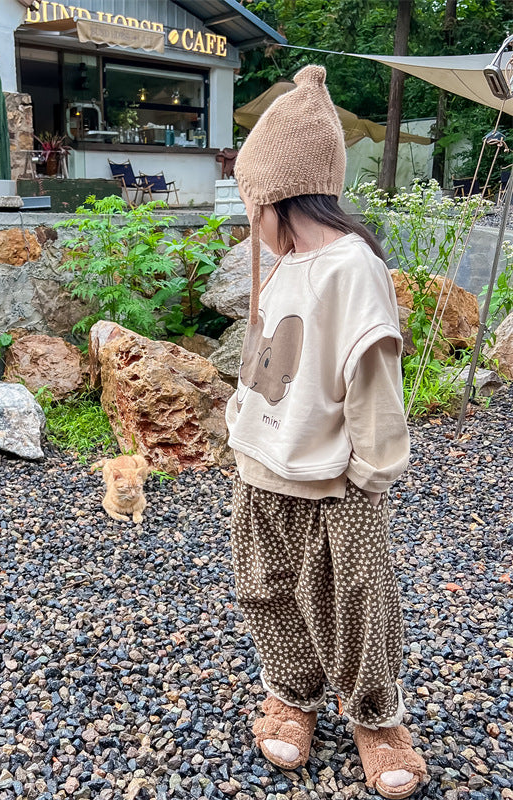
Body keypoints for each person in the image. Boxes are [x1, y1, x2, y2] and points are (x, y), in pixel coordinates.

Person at [225, 65, 427, 800]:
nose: (251, 219)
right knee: (270, 591)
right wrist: (238, 426)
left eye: (253, 202)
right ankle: (293, 692)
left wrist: (372, 470)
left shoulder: (351, 267)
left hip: (337, 482)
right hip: (262, 470)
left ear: (277, 193)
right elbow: (264, 359)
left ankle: (376, 716)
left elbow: (372, 375)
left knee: (359, 600)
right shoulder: (282, 265)